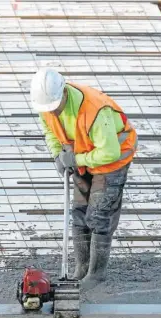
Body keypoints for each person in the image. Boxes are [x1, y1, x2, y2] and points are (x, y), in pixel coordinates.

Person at [30, 68, 137, 288]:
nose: (53, 112)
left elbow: (110, 152)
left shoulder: (94, 111)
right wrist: (57, 155)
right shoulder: (46, 105)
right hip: (82, 158)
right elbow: (50, 131)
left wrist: (76, 160)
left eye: (55, 107)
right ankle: (82, 268)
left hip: (110, 163)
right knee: (79, 214)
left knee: (98, 216)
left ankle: (96, 275)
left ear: (63, 94)